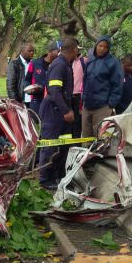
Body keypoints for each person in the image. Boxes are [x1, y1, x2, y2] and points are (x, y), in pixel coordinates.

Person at [38, 38, 78, 190]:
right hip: (54, 112)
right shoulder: (59, 65)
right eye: (77, 49)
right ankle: (45, 179)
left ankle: (58, 176)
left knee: (64, 145)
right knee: (50, 146)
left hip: (62, 112)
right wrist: (66, 111)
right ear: (73, 49)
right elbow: (54, 91)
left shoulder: (65, 65)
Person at [81, 35, 123, 137]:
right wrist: (83, 98)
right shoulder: (90, 60)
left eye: (105, 47)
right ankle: (88, 153)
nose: (102, 49)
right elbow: (85, 79)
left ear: (108, 49)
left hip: (103, 106)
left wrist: (111, 104)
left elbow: (118, 84)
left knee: (100, 136)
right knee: (86, 136)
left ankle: (100, 154)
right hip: (87, 105)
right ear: (96, 46)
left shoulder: (113, 62)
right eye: (100, 46)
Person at [24, 41, 60, 114]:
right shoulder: (34, 63)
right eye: (58, 51)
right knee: (35, 123)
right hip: (36, 101)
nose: (60, 54)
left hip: (52, 102)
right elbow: (27, 79)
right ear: (50, 51)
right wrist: (30, 89)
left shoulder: (59, 65)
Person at [71, 49, 86, 138]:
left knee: (77, 121)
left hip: (79, 95)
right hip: (67, 95)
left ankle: (76, 143)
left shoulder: (84, 61)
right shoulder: (66, 60)